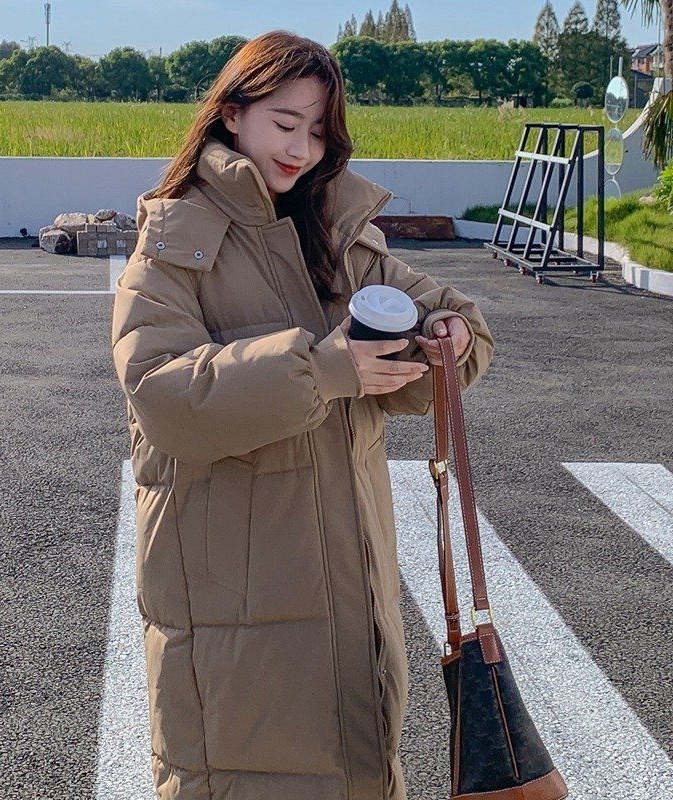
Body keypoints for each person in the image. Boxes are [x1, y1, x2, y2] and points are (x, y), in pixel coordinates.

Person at [111, 29, 495, 800]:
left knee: (358, 769)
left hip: (352, 593)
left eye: (318, 131)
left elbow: (454, 324)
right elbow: (161, 393)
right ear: (231, 114)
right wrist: (323, 369)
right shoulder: (178, 240)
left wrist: (449, 338)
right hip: (235, 607)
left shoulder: (336, 230)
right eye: (285, 123)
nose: (302, 148)